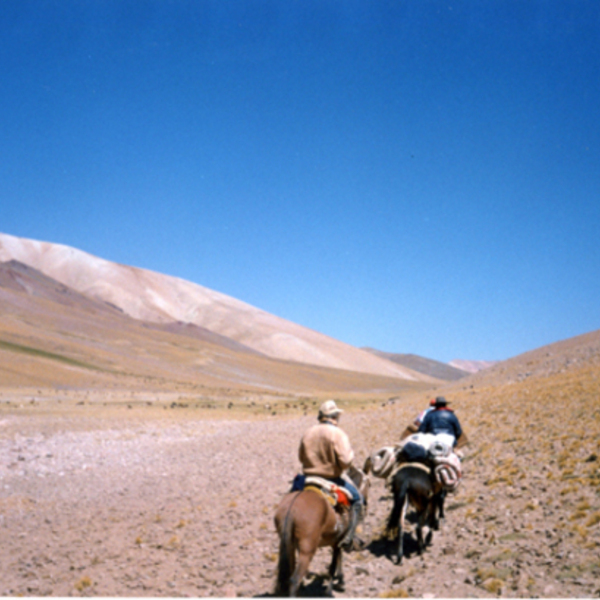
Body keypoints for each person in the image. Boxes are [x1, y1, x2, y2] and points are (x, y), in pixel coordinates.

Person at [297, 399, 364, 550]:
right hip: (331, 479)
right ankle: (349, 538)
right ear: (335, 417)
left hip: (309, 478)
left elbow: (301, 457)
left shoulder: (308, 432)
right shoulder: (338, 434)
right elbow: (346, 462)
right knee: (358, 499)